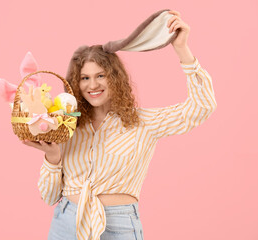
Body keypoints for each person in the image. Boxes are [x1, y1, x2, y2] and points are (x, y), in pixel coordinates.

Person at [22, 9, 217, 240]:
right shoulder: (67, 124)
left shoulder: (143, 122)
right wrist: (53, 158)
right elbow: (48, 196)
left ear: (115, 78)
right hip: (65, 222)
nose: (92, 85)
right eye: (85, 78)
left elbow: (202, 107)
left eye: (101, 75)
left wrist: (182, 49)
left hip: (119, 225)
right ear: (77, 82)